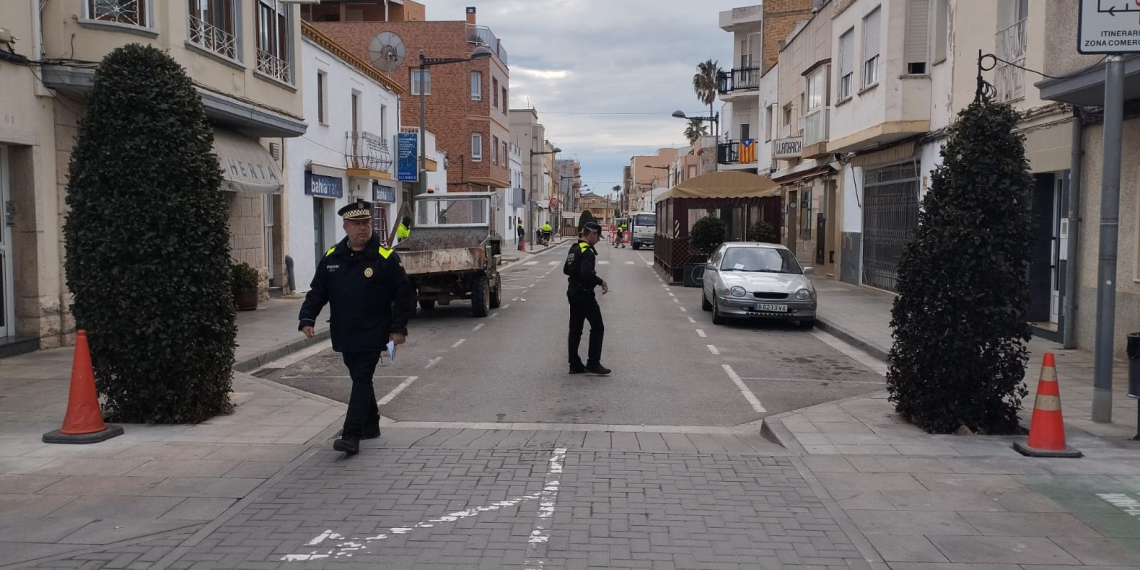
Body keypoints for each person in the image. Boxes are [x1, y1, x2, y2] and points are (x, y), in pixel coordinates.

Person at [299, 199, 414, 455]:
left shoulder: (385, 258)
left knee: (361, 378)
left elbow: (404, 295)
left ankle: (351, 435)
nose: (363, 228)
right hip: (345, 331)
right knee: (359, 377)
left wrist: (399, 328)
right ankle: (371, 424)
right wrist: (307, 318)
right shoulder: (332, 257)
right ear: (345, 227)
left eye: (366, 223)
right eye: (356, 224)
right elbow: (318, 291)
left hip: (374, 331)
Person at [563, 222, 611, 375]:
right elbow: (586, 274)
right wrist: (601, 282)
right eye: (597, 236)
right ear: (591, 234)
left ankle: (574, 364)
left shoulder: (574, 248)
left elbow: (566, 270)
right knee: (598, 327)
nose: (598, 240)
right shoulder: (588, 251)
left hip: (572, 293)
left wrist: (576, 274)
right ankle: (593, 363)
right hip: (584, 295)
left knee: (575, 329)